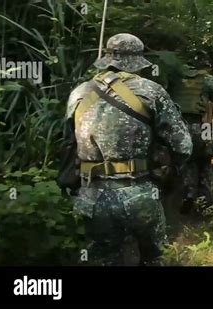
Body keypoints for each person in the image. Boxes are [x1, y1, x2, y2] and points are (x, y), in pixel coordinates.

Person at [57, 33, 192, 266]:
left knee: (102, 260)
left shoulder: (78, 93)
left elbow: (69, 141)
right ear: (138, 62)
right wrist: (170, 169)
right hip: (139, 192)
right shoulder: (151, 91)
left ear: (107, 59)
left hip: (91, 197)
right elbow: (183, 145)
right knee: (156, 258)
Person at [169, 51, 213, 215]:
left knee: (187, 161)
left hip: (178, 128)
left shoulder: (177, 79)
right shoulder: (208, 80)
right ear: (206, 65)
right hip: (201, 127)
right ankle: (205, 202)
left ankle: (188, 195)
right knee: (205, 163)